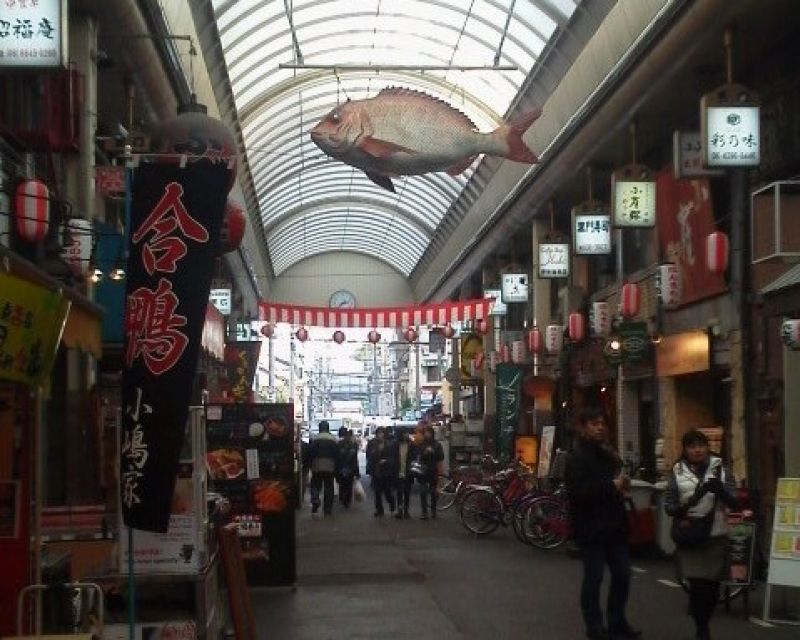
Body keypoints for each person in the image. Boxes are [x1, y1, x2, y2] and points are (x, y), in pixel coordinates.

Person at [564, 407, 641, 640]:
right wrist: (612, 486)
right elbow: (578, 492)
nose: (599, 427)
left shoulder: (608, 452)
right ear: (583, 427)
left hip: (614, 525)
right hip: (591, 527)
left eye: (601, 423)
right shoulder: (576, 457)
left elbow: (615, 480)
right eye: (594, 423)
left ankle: (617, 621)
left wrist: (622, 485)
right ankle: (594, 625)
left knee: (622, 574)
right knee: (594, 578)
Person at [664, 429, 737, 640]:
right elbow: (670, 504)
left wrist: (720, 490)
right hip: (691, 537)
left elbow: (734, 500)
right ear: (685, 450)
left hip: (716, 535)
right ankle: (702, 628)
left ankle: (703, 617)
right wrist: (682, 508)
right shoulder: (677, 471)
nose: (697, 450)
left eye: (700, 445)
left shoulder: (721, 469)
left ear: (707, 447)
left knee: (712, 588)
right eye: (691, 446)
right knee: (698, 586)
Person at [306, 420, 339, 516]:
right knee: (329, 487)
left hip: (317, 466)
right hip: (330, 466)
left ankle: (315, 500)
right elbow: (337, 455)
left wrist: (309, 465)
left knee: (315, 485)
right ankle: (328, 509)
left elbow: (310, 454)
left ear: (320, 428)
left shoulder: (314, 439)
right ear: (328, 428)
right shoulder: (333, 440)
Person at [365, 427, 397, 516]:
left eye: (382, 433)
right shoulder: (372, 443)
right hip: (376, 470)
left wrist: (386, 460)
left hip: (386, 471)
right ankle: (379, 510)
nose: (380, 435)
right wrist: (375, 451)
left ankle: (392, 503)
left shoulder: (389, 444)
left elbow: (393, 457)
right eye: (379, 433)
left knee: (387, 491)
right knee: (377, 492)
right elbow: (368, 455)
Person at [416, 425, 444, 520]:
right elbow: (418, 456)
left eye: (429, 433)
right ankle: (424, 512)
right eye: (426, 433)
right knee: (423, 492)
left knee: (433, 492)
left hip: (433, 470)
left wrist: (433, 452)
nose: (427, 434)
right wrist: (425, 453)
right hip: (423, 470)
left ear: (432, 434)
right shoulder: (421, 444)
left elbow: (441, 457)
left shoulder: (437, 444)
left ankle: (433, 510)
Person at [394, 430, 417, 519]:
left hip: (408, 471)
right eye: (404, 433)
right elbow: (393, 457)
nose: (406, 435)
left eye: (407, 433)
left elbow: (415, 457)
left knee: (407, 492)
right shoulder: (396, 445)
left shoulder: (412, 445)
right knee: (399, 492)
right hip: (398, 471)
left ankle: (406, 510)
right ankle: (400, 510)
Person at [336, 428, 360, 508]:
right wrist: (357, 472)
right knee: (349, 485)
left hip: (342, 467)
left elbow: (338, 458)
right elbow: (355, 459)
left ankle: (343, 498)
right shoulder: (354, 445)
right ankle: (347, 501)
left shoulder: (339, 444)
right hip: (350, 468)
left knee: (342, 484)